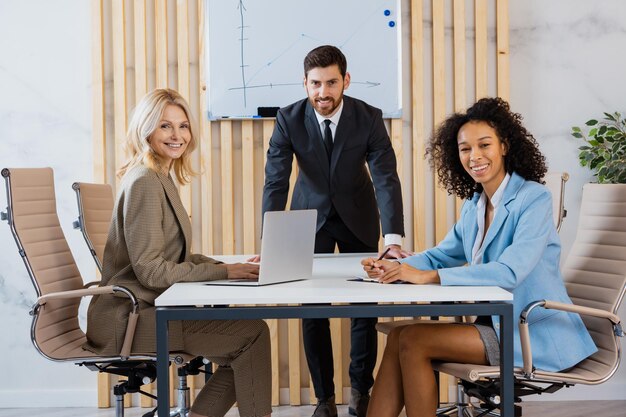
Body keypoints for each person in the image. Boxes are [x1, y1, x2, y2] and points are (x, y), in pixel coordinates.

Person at [361, 97, 597, 417]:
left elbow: (510, 271)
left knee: (414, 339)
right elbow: (444, 254)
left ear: (504, 146)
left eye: (484, 145)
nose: (475, 156)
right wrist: (397, 267)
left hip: (528, 332)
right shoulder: (475, 204)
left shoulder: (534, 199)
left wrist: (429, 276)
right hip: (494, 323)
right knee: (400, 336)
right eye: (465, 149)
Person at [84, 89, 272, 417]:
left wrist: (230, 265)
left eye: (183, 126)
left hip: (145, 311)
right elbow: (153, 271)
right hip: (129, 319)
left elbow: (174, 258)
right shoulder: (145, 181)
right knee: (252, 336)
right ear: (146, 130)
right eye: (165, 126)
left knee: (248, 341)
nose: (177, 135)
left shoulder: (158, 176)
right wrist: (226, 272)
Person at [260, 45, 410, 417]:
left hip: (358, 215)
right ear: (305, 82)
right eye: (315, 84)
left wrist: (393, 240)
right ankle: (324, 398)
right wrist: (272, 242)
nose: (322, 92)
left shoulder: (369, 117)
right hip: (308, 219)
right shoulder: (288, 118)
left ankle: (360, 391)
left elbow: (385, 177)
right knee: (313, 310)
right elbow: (275, 181)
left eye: (330, 82)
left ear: (345, 80)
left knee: (364, 309)